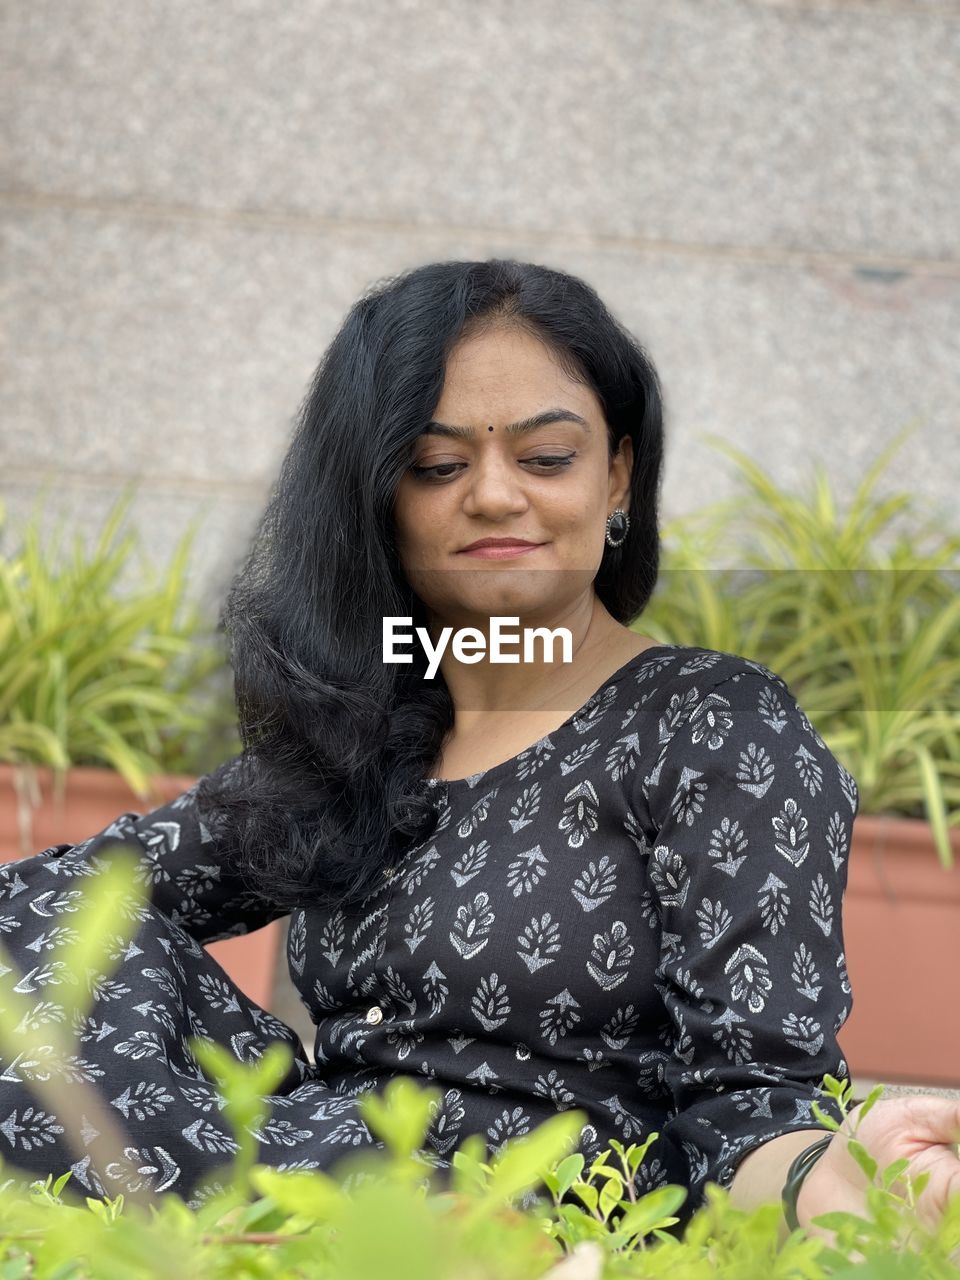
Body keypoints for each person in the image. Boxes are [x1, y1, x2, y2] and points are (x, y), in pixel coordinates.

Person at [1, 258, 957, 1236]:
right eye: (439, 463)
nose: (496, 495)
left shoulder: (711, 725)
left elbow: (752, 1104)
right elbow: (67, 899)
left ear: (617, 474)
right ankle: (261, 1204)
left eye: (546, 458)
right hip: (317, 1172)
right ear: (375, 498)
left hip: (546, 1207)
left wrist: (831, 1175)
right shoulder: (365, 734)